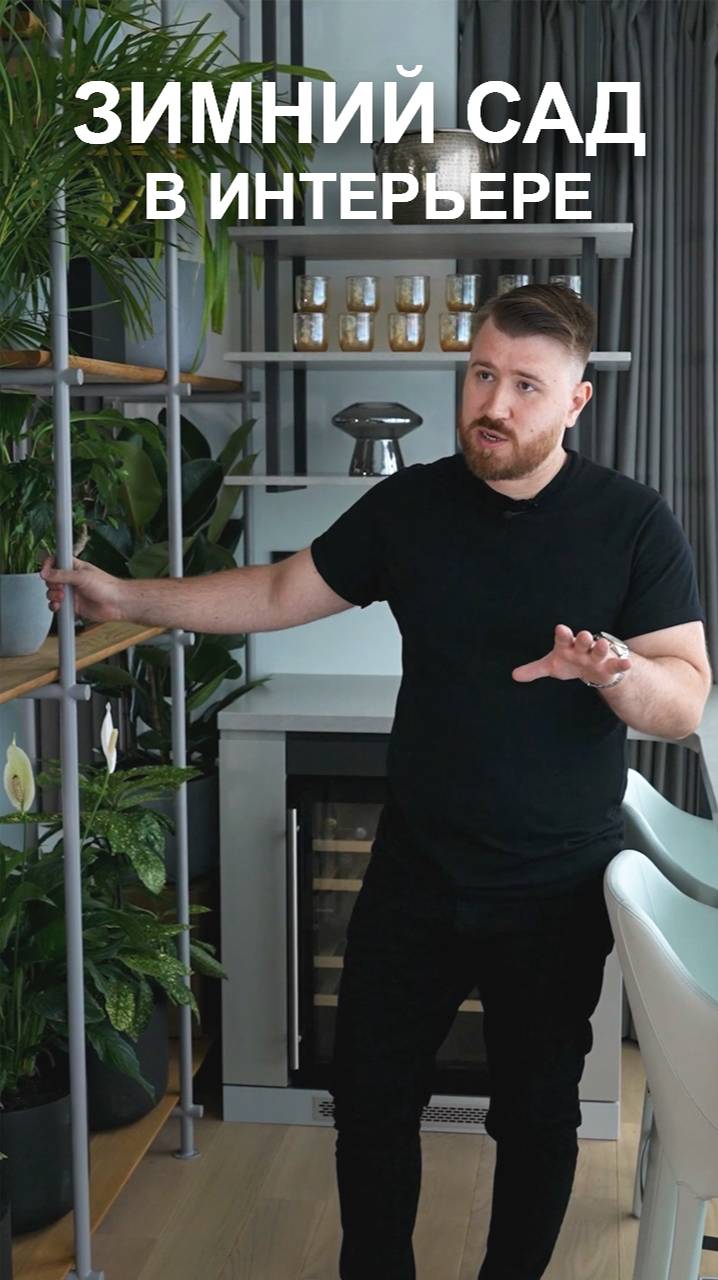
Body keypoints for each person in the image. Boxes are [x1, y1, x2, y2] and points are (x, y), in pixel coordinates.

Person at [42, 284, 711, 1280]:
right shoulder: (412, 507)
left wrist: (617, 673)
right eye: (481, 374)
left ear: (576, 401)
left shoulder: (632, 522)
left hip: (554, 884)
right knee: (368, 1097)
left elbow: (684, 698)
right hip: (418, 869)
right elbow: (279, 590)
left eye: (526, 385)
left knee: (535, 1114)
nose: (494, 403)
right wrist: (127, 597)